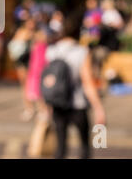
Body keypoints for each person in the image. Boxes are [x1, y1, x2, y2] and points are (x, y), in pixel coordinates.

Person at [46, 13, 106, 159]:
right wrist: (98, 108)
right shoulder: (82, 52)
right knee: (85, 147)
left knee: (60, 147)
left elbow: (48, 80)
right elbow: (87, 82)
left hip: (58, 104)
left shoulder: (51, 51)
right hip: (78, 104)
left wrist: (46, 106)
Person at [8, 18, 36, 121]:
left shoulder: (38, 33)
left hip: (34, 63)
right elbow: (14, 46)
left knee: (34, 85)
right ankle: (29, 107)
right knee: (25, 85)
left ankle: (35, 107)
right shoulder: (21, 32)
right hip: (23, 62)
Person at [25, 28, 49, 120]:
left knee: (41, 94)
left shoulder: (43, 47)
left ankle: (44, 111)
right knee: (37, 94)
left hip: (40, 73)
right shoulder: (36, 46)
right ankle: (40, 110)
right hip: (34, 74)